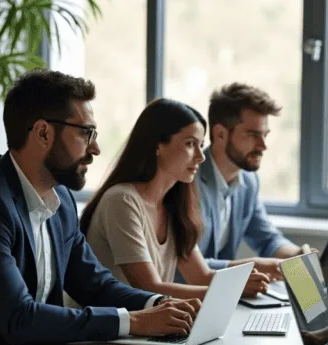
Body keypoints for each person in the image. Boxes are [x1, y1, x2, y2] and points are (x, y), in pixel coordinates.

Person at [0, 69, 200, 345]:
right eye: (86, 133)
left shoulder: (63, 200)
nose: (95, 148)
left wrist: (159, 304)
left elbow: (96, 285)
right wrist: (135, 322)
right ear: (43, 132)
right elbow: (19, 317)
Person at [78, 98, 270, 303]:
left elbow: (201, 276)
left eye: (201, 145)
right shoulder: (122, 201)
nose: (200, 156)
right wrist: (232, 289)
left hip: (153, 323)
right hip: (111, 328)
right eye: (190, 144)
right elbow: (149, 288)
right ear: (158, 146)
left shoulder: (173, 205)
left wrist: (244, 280)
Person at [192, 83, 310, 282]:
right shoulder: (188, 182)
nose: (263, 146)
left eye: (265, 135)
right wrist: (250, 267)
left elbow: (266, 238)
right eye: (253, 134)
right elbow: (185, 267)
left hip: (221, 294)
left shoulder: (249, 180)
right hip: (184, 300)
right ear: (220, 134)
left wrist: (296, 255)